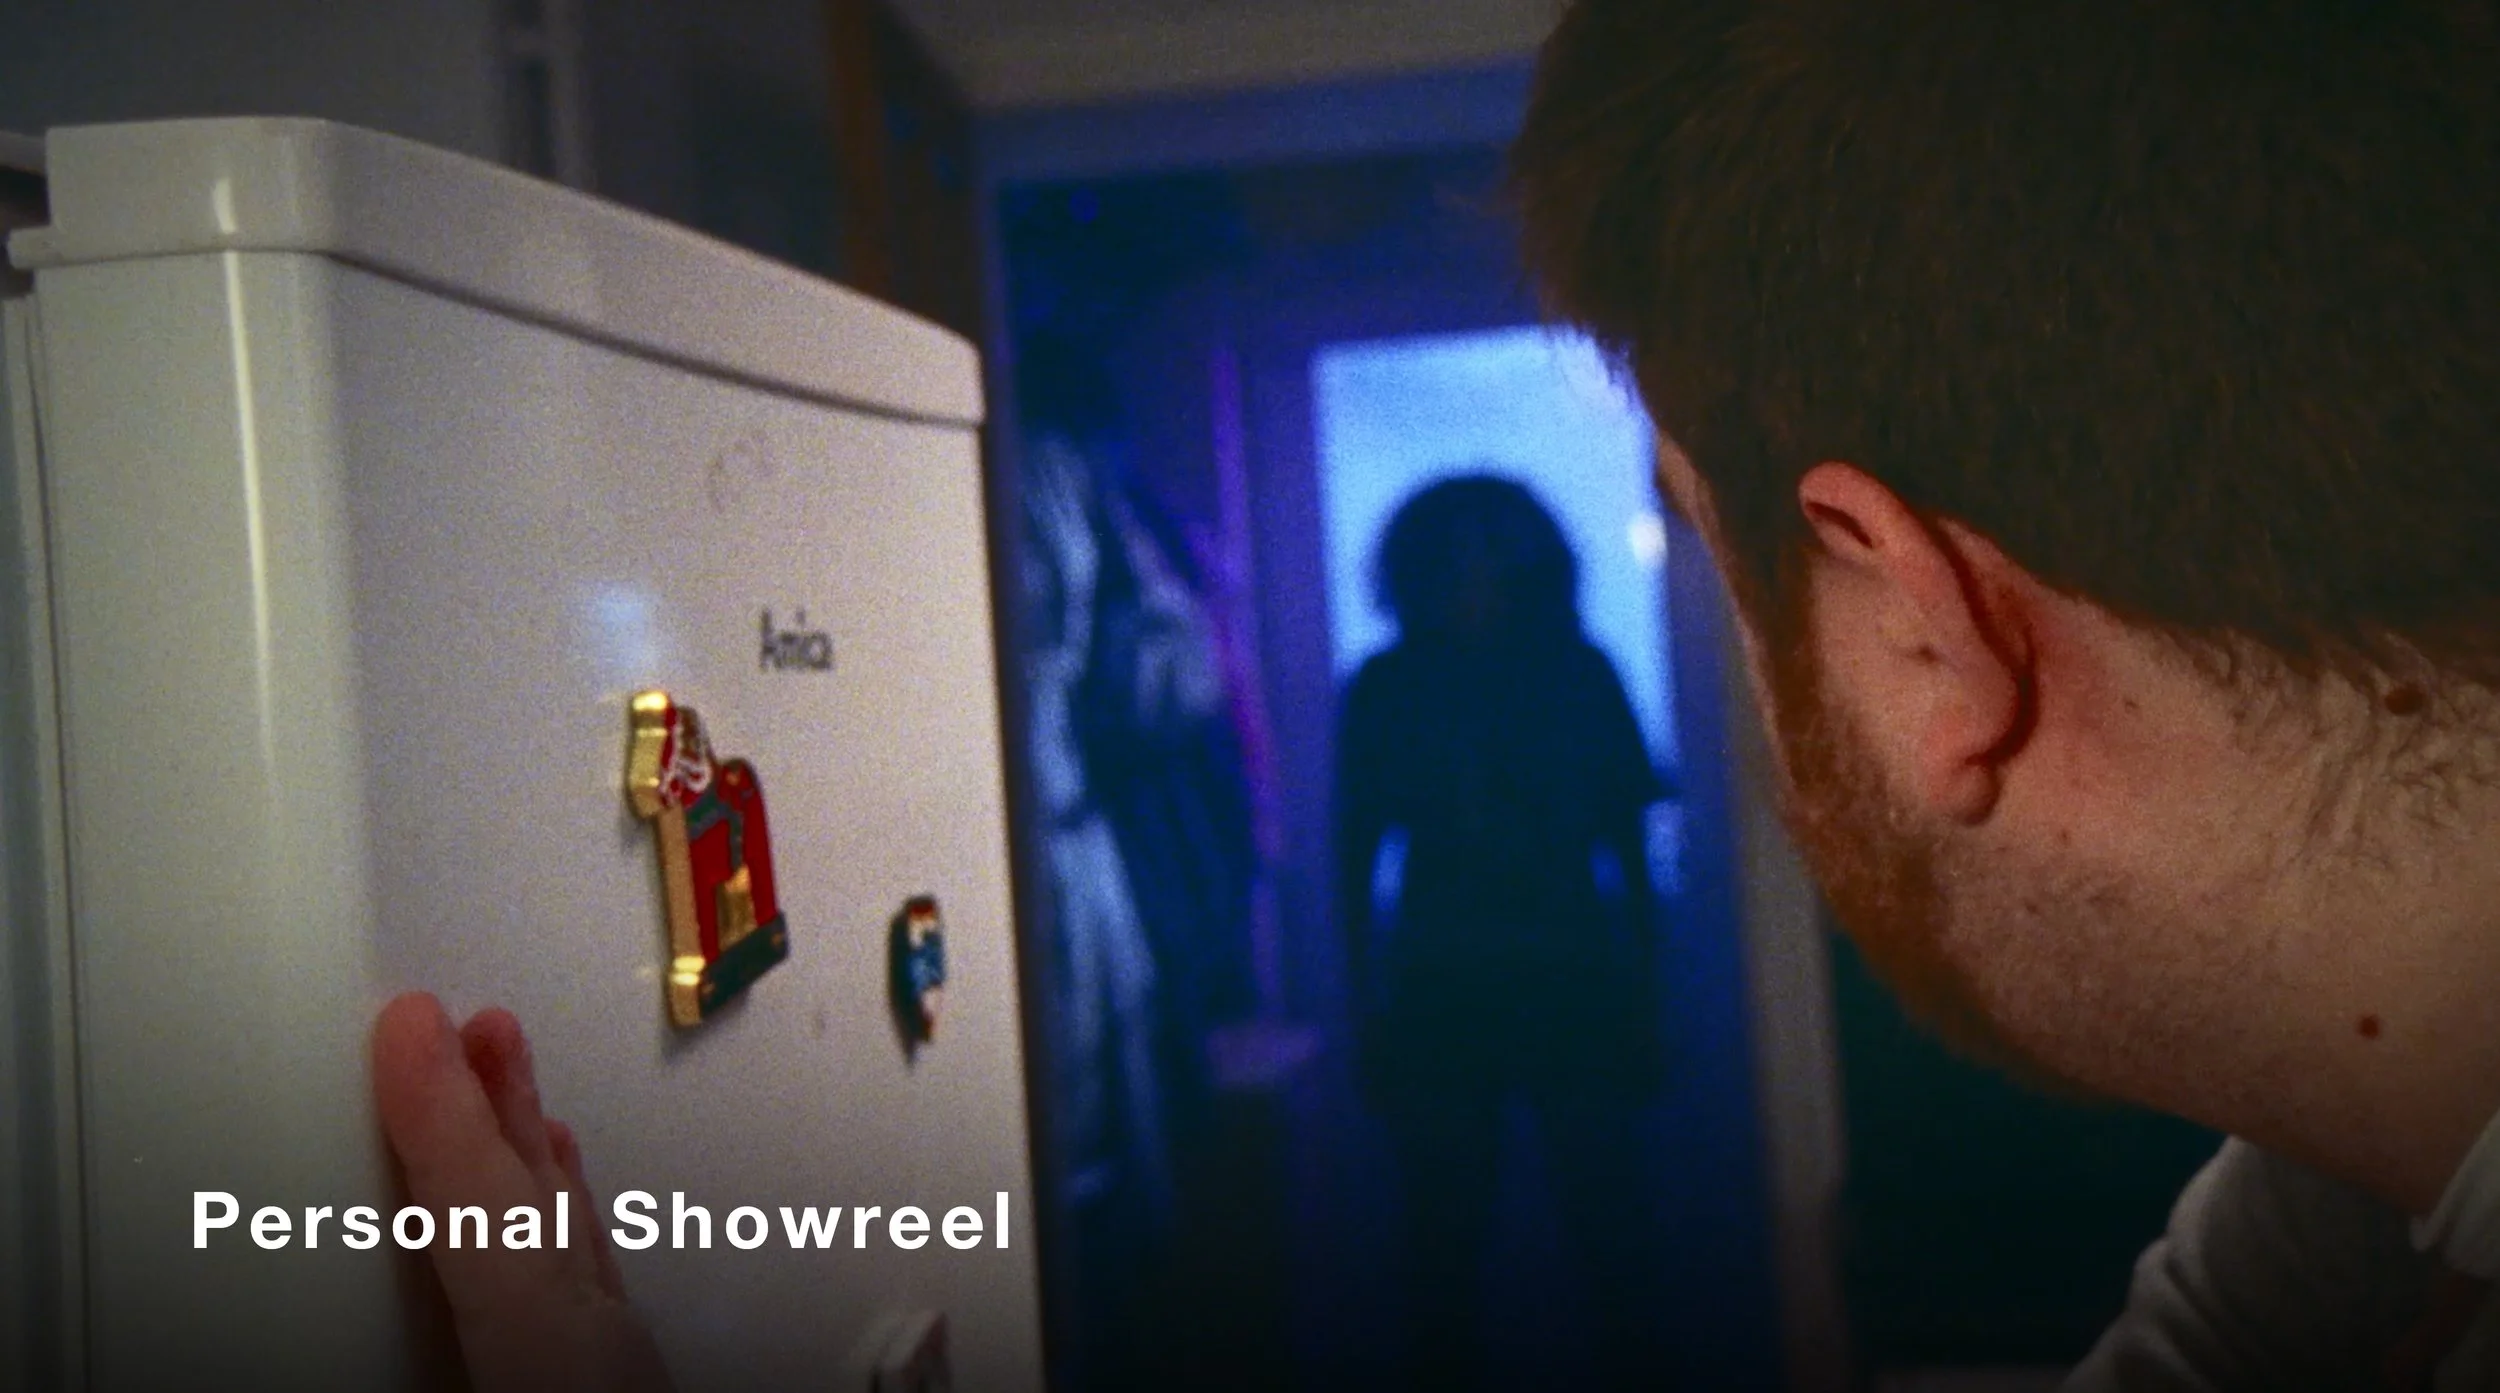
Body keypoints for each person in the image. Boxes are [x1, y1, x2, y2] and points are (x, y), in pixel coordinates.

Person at [375, 0, 2500, 1386]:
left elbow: (1604, 815)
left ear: (1926, 638)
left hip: (1559, 979)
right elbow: (1363, 839)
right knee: (1457, 1263)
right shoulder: (2331, 1202)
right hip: (1451, 993)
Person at [1333, 474, 1669, 1391]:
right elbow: (1354, 856)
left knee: (1607, 1233)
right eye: (1456, 556)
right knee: (1446, 1246)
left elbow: (1631, 846)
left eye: (1489, 553)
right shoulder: (1391, 686)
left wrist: (1647, 996)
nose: (1474, 573)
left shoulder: (1576, 673)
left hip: (1560, 975)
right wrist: (1365, 1008)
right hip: (1454, 981)